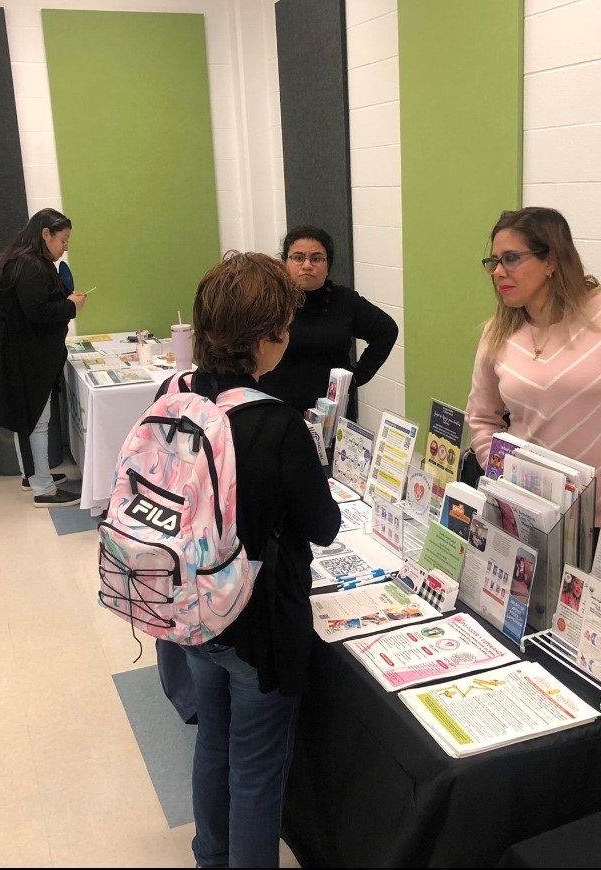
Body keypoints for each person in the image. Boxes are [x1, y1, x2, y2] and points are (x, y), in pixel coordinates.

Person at [180, 251, 341, 868]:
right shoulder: (275, 424)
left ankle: (209, 855)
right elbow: (322, 527)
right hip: (259, 624)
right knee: (256, 770)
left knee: (213, 746)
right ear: (270, 336)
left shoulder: (179, 393)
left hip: (191, 606)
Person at [466, 207, 601, 541]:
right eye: (494, 261)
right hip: (535, 517)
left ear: (551, 261)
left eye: (511, 258)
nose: (498, 272)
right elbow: (482, 420)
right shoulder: (496, 334)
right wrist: (503, 478)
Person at [0, 208, 86, 507]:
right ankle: (44, 489)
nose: (65, 247)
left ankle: (33, 475)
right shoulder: (31, 267)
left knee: (25, 417)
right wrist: (71, 305)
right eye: (62, 240)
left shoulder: (20, 261)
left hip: (15, 350)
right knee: (36, 421)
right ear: (45, 234)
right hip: (22, 354)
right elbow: (37, 312)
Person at [257, 225, 398, 420]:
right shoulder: (269, 301)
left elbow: (387, 331)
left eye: (316, 258)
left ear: (327, 265)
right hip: (278, 411)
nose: (307, 265)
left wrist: (357, 378)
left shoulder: (345, 301)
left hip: (333, 415)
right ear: (285, 262)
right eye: (298, 257)